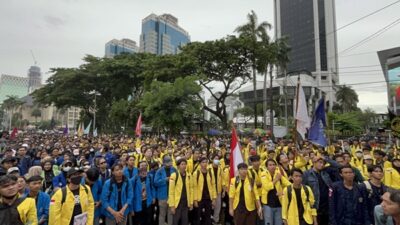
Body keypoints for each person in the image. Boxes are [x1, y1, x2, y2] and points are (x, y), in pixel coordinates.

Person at [302, 155, 336, 225]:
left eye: (323, 163)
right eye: (320, 162)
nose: (322, 164)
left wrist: (325, 158)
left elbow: (338, 166)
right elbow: (303, 189)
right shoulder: (306, 174)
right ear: (314, 162)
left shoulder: (326, 173)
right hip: (315, 206)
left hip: (327, 206)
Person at [261, 158, 290, 225]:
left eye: (274, 165)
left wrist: (283, 192)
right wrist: (276, 179)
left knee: (279, 223)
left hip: (279, 203)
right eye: (270, 165)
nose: (272, 166)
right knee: (269, 223)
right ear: (267, 167)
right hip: (268, 204)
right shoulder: (263, 174)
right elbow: (267, 187)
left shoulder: (278, 174)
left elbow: (288, 184)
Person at [168, 158, 193, 225]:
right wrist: (172, 206)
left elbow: (191, 189)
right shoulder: (174, 175)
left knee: (185, 221)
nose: (184, 166)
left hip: (185, 202)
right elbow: (171, 192)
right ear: (178, 166)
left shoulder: (189, 175)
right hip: (177, 203)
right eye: (182, 164)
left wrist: (191, 202)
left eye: (185, 164)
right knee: (175, 221)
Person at [193, 157, 216, 225]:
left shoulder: (210, 173)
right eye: (203, 162)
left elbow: (213, 185)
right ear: (200, 164)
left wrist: (214, 198)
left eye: (206, 162)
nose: (205, 164)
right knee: (198, 217)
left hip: (208, 198)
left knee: (208, 216)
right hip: (199, 198)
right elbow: (194, 187)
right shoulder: (196, 173)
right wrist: (195, 200)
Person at [154, 155, 176, 225]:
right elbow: (155, 182)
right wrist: (165, 180)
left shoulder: (174, 169)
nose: (169, 164)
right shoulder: (159, 171)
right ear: (163, 163)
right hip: (162, 196)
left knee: (170, 214)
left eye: (170, 162)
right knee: (162, 214)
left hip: (172, 196)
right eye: (167, 162)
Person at [132, 160, 155, 225]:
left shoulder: (150, 177)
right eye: (142, 165)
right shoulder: (135, 178)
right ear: (138, 168)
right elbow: (131, 191)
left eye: (145, 165)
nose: (144, 167)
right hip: (138, 202)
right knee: (139, 221)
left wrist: (153, 197)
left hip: (148, 201)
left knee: (148, 220)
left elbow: (152, 188)